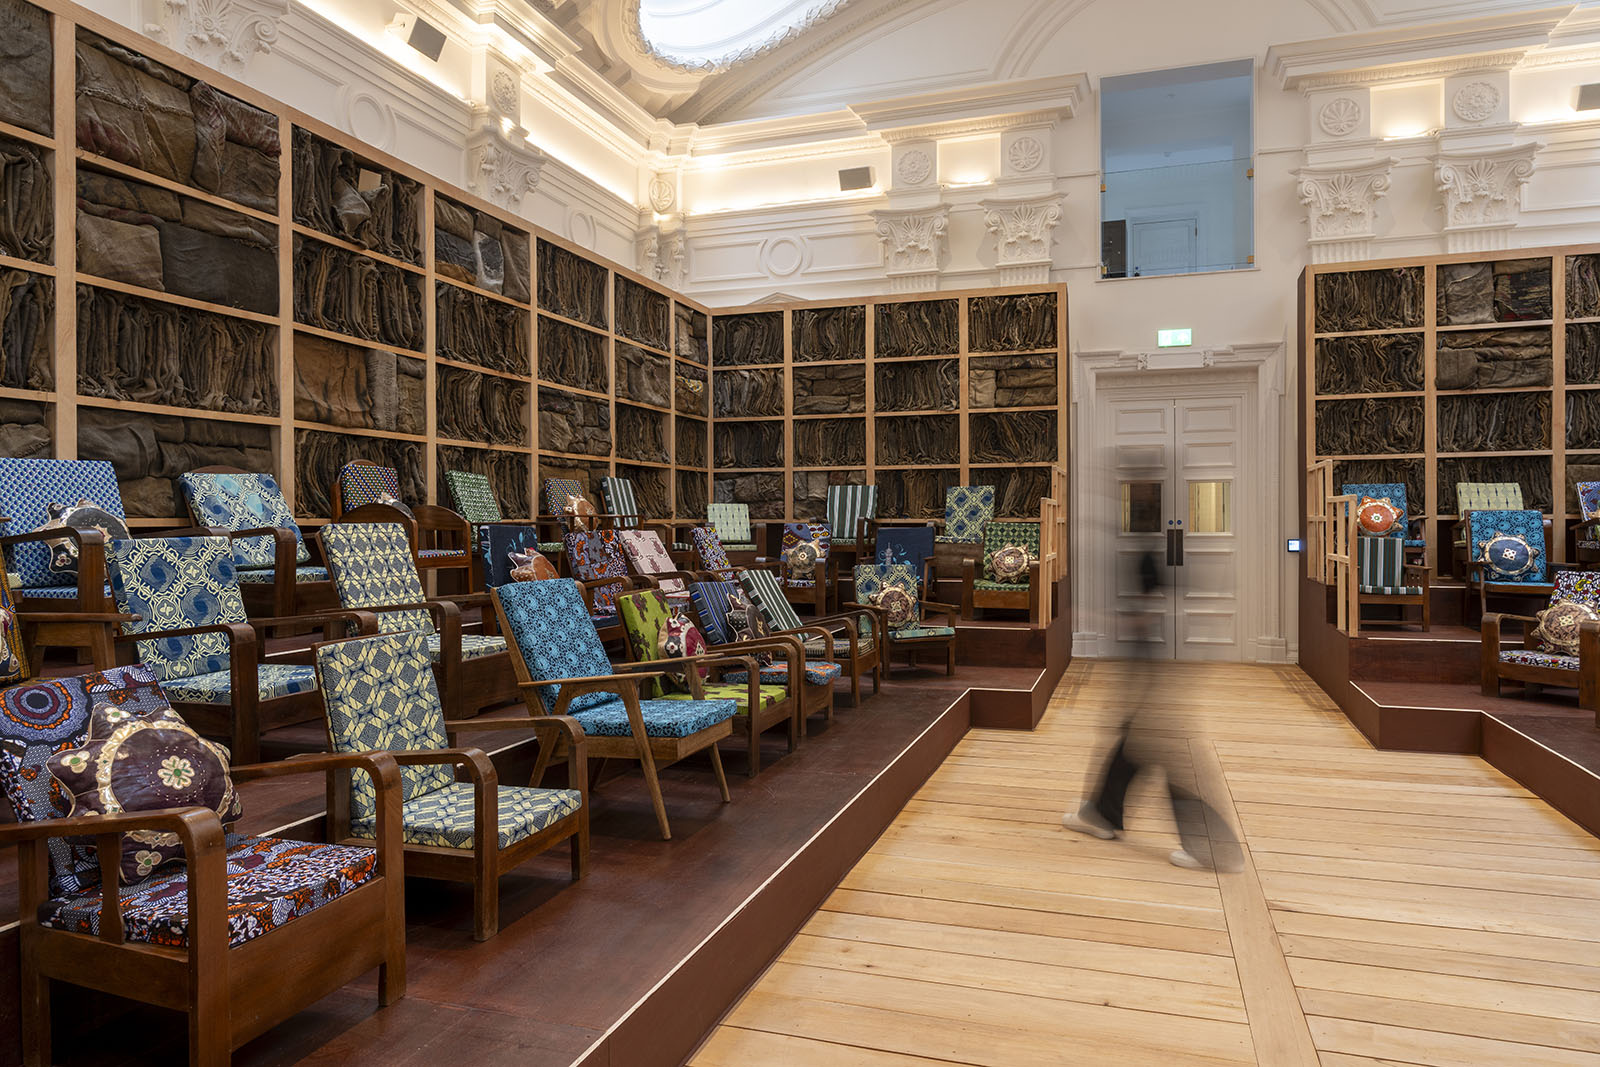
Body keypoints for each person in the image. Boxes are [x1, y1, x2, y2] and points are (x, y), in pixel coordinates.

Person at [1061, 548, 1224, 869]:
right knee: (1127, 756)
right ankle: (1102, 815)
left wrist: (1089, 617)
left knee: (1171, 770)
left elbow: (1139, 627)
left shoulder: (1158, 610)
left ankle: (1214, 849)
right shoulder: (1174, 605)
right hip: (1159, 706)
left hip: (1161, 710)